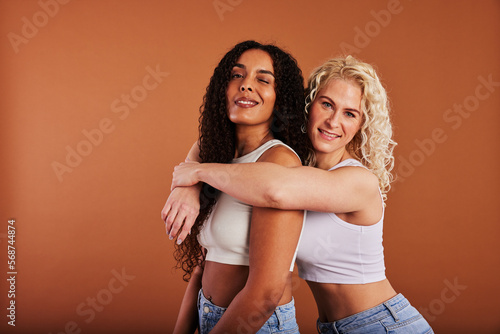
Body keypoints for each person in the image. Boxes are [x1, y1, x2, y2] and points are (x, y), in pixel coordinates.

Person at [168, 55, 434, 333]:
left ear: (361, 126)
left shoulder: (358, 181)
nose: (333, 121)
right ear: (309, 105)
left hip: (382, 325)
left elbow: (275, 190)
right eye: (327, 104)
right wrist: (188, 186)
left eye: (349, 113)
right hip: (332, 327)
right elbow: (228, 153)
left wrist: (197, 173)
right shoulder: (297, 168)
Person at [162, 40, 311, 333]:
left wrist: (192, 175)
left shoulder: (279, 162)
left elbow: (265, 294)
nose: (245, 86)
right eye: (237, 75)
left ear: (280, 98)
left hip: (258, 325)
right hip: (209, 317)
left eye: (263, 79)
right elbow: (202, 268)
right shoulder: (220, 158)